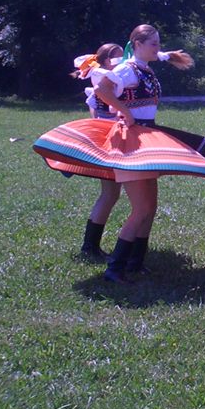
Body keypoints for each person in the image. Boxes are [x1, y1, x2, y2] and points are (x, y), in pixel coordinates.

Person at [33, 24, 205, 284]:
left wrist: (166, 56)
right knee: (141, 209)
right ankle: (115, 269)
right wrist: (124, 111)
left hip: (147, 137)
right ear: (137, 44)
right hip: (131, 142)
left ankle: (136, 262)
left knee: (149, 207)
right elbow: (103, 90)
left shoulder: (144, 67)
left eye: (159, 44)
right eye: (153, 44)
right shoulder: (127, 69)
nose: (157, 48)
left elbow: (155, 63)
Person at [72, 43, 124, 261]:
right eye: (117, 58)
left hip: (110, 139)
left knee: (111, 193)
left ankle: (90, 246)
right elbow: (103, 114)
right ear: (104, 61)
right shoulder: (103, 82)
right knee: (110, 193)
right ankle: (89, 247)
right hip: (111, 141)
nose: (120, 62)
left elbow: (95, 113)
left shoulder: (99, 82)